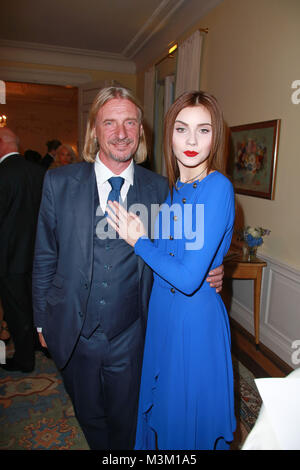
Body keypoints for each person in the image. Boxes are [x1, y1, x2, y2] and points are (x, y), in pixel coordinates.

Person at [32, 86, 224, 450]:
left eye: (130, 122)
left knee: (130, 422)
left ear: (141, 132)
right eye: (110, 122)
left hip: (134, 334)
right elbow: (44, 256)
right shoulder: (59, 184)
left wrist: (214, 271)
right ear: (94, 131)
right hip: (74, 330)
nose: (121, 132)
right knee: (88, 415)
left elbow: (187, 251)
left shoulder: (162, 190)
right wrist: (41, 320)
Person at [106, 90, 236, 450]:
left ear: (216, 136)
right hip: (164, 315)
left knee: (184, 424)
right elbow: (177, 259)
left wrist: (139, 240)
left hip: (193, 324)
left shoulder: (217, 187)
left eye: (204, 130)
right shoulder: (173, 191)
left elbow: (188, 276)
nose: (192, 140)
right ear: (169, 135)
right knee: (162, 420)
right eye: (182, 129)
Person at [0, 127, 45, 372]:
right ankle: (39, 345)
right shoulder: (39, 172)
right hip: (38, 256)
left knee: (16, 311)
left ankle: (25, 359)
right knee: (35, 305)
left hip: (9, 259)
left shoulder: (2, 174)